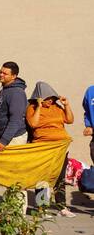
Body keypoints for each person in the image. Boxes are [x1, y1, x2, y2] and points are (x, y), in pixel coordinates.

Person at [26, 83, 74, 216]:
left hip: (60, 148)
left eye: (52, 98)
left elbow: (69, 120)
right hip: (43, 148)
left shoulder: (57, 107)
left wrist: (66, 105)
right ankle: (42, 207)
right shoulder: (32, 108)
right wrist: (39, 107)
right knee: (42, 178)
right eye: (47, 99)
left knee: (60, 177)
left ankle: (62, 207)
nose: (50, 101)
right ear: (39, 98)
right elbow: (33, 124)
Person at [0, 62, 29, 147]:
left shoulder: (16, 93)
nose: (1, 75)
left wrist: (4, 141)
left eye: (5, 73)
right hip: (4, 136)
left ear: (13, 76)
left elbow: (16, 119)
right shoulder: (4, 90)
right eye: (0, 72)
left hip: (14, 138)